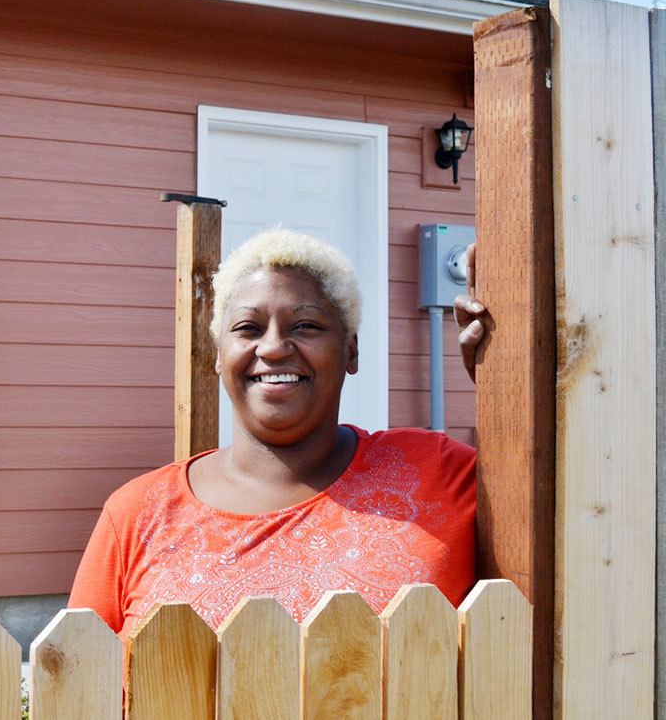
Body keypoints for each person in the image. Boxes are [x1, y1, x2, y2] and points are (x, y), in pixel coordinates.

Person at [69, 229, 490, 637]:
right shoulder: (138, 514)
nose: (272, 348)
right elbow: (78, 680)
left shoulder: (436, 472)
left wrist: (503, 377)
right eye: (248, 329)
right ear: (219, 356)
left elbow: (548, 520)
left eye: (306, 326)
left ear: (351, 350)